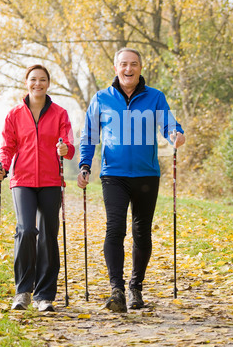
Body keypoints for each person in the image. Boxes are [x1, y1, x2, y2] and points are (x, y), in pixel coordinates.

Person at [77, 48, 185, 312]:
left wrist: (176, 134)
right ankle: (117, 289)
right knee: (115, 228)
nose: (129, 69)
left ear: (140, 68)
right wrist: (84, 165)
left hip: (147, 174)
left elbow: (170, 124)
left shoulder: (155, 97)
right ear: (116, 67)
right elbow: (89, 135)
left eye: (134, 64)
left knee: (141, 231)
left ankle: (136, 287)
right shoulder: (101, 98)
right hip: (113, 174)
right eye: (124, 64)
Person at [0, 64, 75, 312]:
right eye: (33, 79)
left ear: (48, 84)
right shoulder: (14, 114)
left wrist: (65, 149)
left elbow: (69, 146)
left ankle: (44, 295)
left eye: (42, 80)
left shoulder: (60, 113)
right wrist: (2, 166)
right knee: (26, 230)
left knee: (49, 236)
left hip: (51, 181)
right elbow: (7, 147)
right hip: (23, 181)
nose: (37, 84)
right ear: (26, 82)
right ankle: (23, 292)